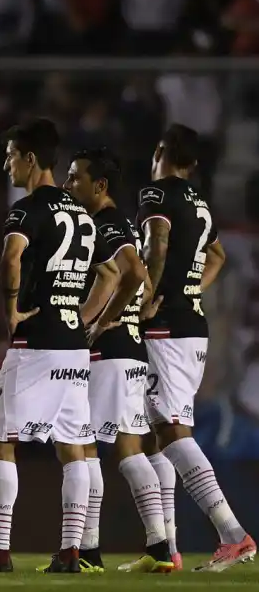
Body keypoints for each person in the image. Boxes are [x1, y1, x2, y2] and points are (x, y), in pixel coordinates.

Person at [0, 119, 120, 574]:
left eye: (10, 155)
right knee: (74, 446)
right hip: (72, 347)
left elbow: (10, 259)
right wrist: (84, 318)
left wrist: (9, 307)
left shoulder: (26, 209)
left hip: (36, 343)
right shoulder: (83, 213)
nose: (6, 164)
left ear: (29, 159)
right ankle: (70, 552)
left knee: (0, 441)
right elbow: (110, 274)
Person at [133, 123, 254, 573]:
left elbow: (157, 242)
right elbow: (217, 256)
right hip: (191, 327)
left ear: (161, 152)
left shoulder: (156, 194)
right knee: (162, 432)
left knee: (170, 430)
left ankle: (233, 534)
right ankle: (168, 550)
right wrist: (193, 289)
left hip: (165, 327)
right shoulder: (200, 204)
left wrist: (146, 297)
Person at [63, 147, 174, 573]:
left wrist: (91, 321)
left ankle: (90, 550)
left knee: (89, 448)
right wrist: (134, 313)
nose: (69, 185)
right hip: (128, 349)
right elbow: (140, 278)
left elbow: (130, 272)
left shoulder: (106, 223)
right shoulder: (121, 222)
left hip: (108, 352)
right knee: (126, 448)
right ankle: (158, 545)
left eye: (75, 178)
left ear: (100, 186)